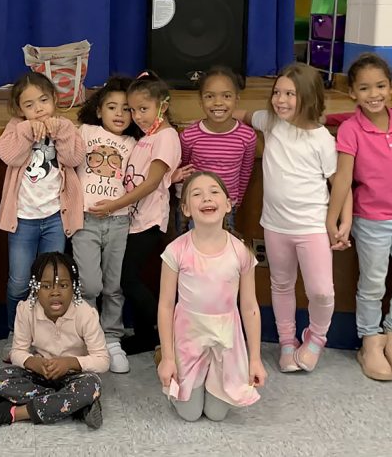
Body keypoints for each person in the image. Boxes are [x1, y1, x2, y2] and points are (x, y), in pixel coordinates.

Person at [238, 63, 352, 373]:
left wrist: (343, 222)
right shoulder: (271, 122)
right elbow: (245, 116)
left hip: (312, 227)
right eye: (277, 92)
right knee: (281, 284)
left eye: (290, 94)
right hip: (275, 226)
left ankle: (316, 337)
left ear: (309, 97)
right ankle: (287, 342)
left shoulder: (321, 140)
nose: (281, 100)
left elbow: (340, 184)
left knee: (321, 290)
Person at [327, 53, 392, 382]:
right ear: (353, 94)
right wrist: (333, 220)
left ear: (390, 88)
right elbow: (343, 178)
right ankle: (370, 343)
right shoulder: (350, 130)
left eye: (381, 86)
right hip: (371, 220)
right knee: (372, 284)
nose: (374, 94)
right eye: (365, 88)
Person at [157, 173, 266, 422]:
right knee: (190, 414)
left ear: (228, 204)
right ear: (185, 209)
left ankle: (211, 375)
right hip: (188, 335)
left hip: (226, 336)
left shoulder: (241, 252)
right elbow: (165, 305)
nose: (206, 197)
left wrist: (255, 359)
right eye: (196, 194)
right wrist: (168, 357)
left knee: (217, 414)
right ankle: (170, 363)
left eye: (214, 192)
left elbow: (249, 307)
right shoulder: (176, 251)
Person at [90, 71, 182, 355]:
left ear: (162, 106)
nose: (138, 116)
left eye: (144, 109)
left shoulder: (165, 136)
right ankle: (145, 335)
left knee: (126, 279)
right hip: (133, 219)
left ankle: (168, 330)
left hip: (150, 221)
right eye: (133, 110)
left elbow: (152, 182)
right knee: (126, 278)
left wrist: (114, 206)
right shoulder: (146, 137)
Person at [0, 72, 84, 360]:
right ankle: (15, 332)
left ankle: (46, 335)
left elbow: (73, 159)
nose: (38, 109)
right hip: (22, 219)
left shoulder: (66, 126)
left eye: (44, 101)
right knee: (19, 281)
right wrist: (25, 131)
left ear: (55, 100)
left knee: (50, 280)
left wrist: (60, 133)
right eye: (30, 104)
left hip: (55, 218)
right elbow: (9, 156)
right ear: (20, 109)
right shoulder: (15, 127)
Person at [0, 252, 108, 430]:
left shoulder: (85, 313)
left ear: (74, 287)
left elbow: (102, 360)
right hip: (40, 374)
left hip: (75, 375)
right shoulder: (25, 310)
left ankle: (13, 413)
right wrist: (33, 363)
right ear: (35, 288)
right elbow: (17, 352)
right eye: (46, 286)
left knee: (92, 384)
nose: (55, 292)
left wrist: (70, 362)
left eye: (63, 285)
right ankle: (76, 406)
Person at [72, 75, 141, 373]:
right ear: (99, 111)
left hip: (118, 221)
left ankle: (111, 338)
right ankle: (90, 337)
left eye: (126, 109)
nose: (119, 114)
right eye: (111, 107)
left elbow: (144, 176)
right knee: (90, 283)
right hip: (85, 220)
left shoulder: (133, 143)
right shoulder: (85, 132)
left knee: (113, 285)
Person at [173, 66, 256, 232]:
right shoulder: (189, 136)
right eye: (210, 96)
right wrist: (184, 201)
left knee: (219, 254)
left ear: (236, 100)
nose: (218, 103)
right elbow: (184, 169)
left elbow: (245, 172)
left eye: (226, 96)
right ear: (201, 101)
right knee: (189, 254)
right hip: (193, 206)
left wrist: (235, 202)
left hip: (226, 208)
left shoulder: (247, 136)